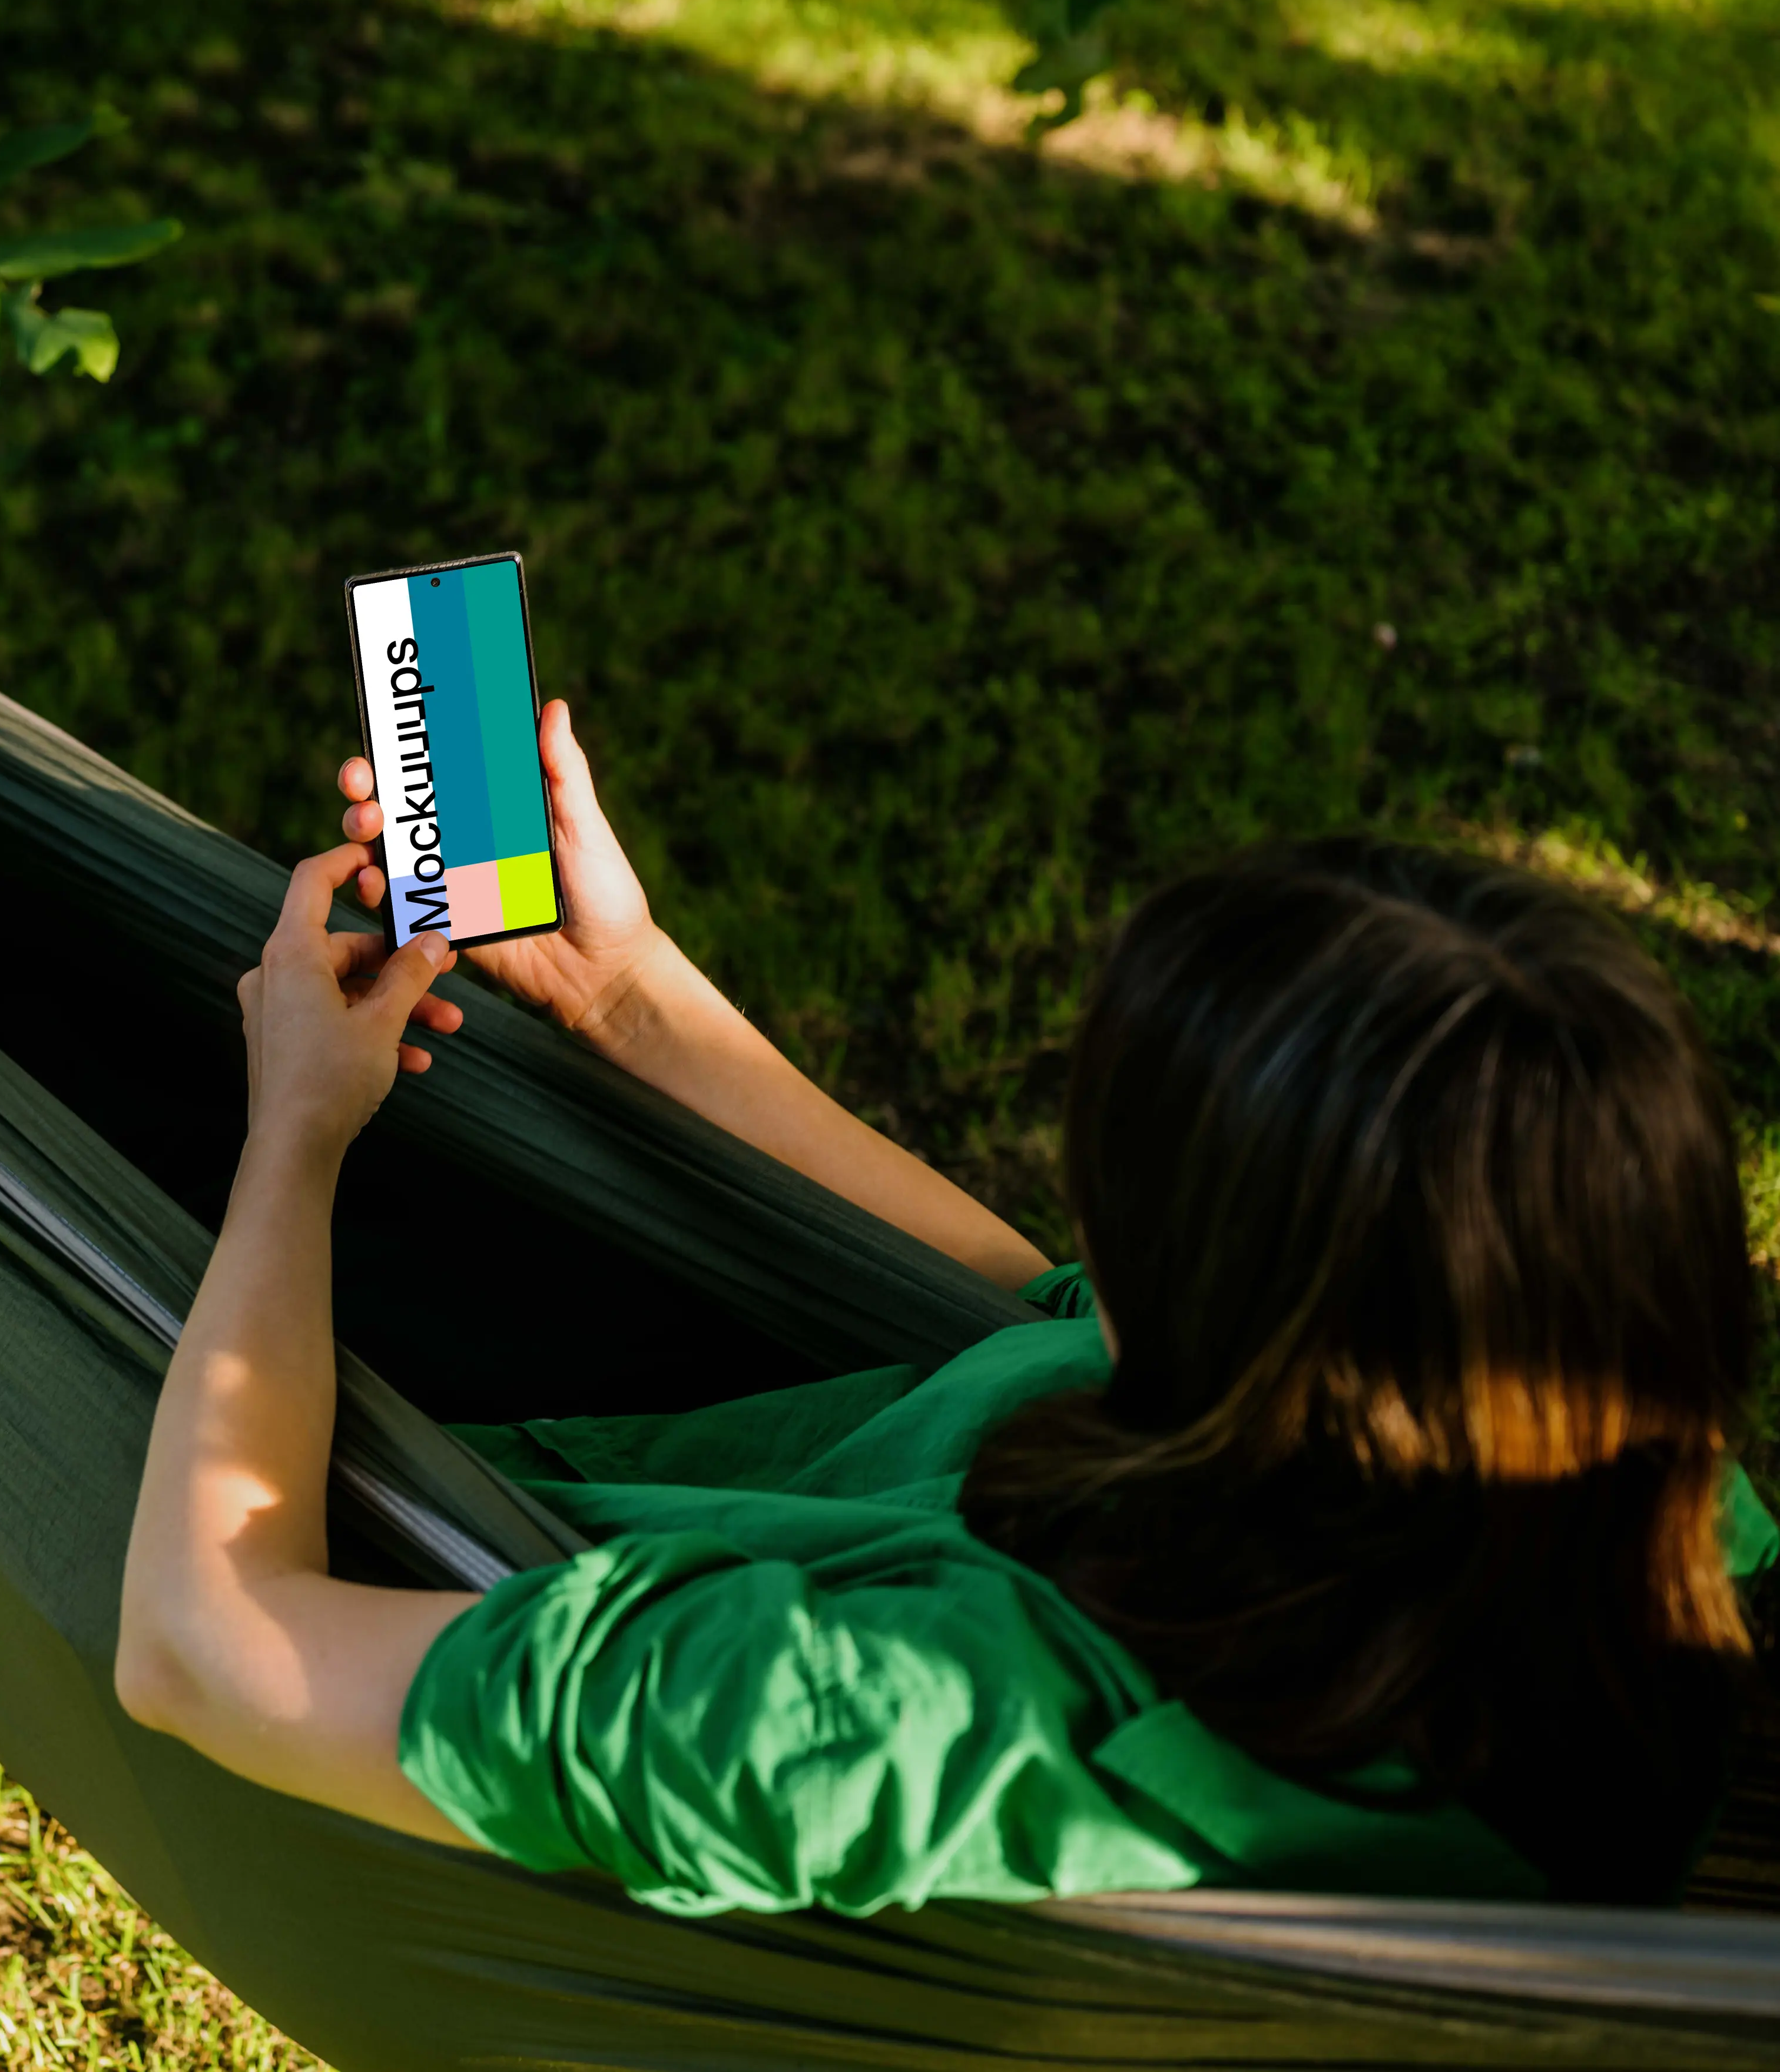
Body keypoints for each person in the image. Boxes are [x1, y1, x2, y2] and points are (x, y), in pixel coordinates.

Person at [114, 698, 1777, 1912]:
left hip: (431, 1533)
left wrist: (297, 1134)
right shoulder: (1653, 1536)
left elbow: (199, 1648)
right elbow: (1026, 1316)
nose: (1090, 1242)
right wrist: (630, 992)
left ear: (1238, 1341)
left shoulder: (885, 1725)